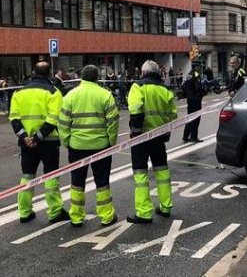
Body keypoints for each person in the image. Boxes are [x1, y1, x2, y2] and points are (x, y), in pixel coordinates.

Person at [9, 62, 69, 224]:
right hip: (48, 142)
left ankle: (25, 212)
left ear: (33, 72)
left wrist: (25, 138)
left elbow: (14, 118)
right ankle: (55, 212)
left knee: (27, 175)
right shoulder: (53, 92)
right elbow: (54, 118)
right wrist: (38, 137)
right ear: (49, 73)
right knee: (50, 176)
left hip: (26, 143)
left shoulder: (18, 92)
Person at [58, 65, 118, 227]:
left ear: (82, 77)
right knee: (102, 182)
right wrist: (111, 143)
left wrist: (67, 141)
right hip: (101, 146)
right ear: (97, 77)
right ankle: (106, 216)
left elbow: (63, 123)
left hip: (77, 146)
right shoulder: (105, 95)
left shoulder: (71, 96)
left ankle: (76, 217)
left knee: (77, 182)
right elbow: (113, 122)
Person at [126, 60, 177, 224]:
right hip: (159, 137)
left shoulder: (137, 86)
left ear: (143, 72)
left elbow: (136, 110)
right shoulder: (165, 89)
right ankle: (166, 206)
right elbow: (172, 115)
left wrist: (136, 132)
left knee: (140, 173)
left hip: (142, 137)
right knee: (162, 172)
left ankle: (144, 212)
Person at [182, 69, 204, 143]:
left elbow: (183, 86)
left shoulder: (188, 74)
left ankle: (185, 136)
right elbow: (198, 86)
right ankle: (194, 137)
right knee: (196, 119)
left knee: (190, 118)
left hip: (189, 100)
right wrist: (202, 93)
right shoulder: (196, 74)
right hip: (196, 100)